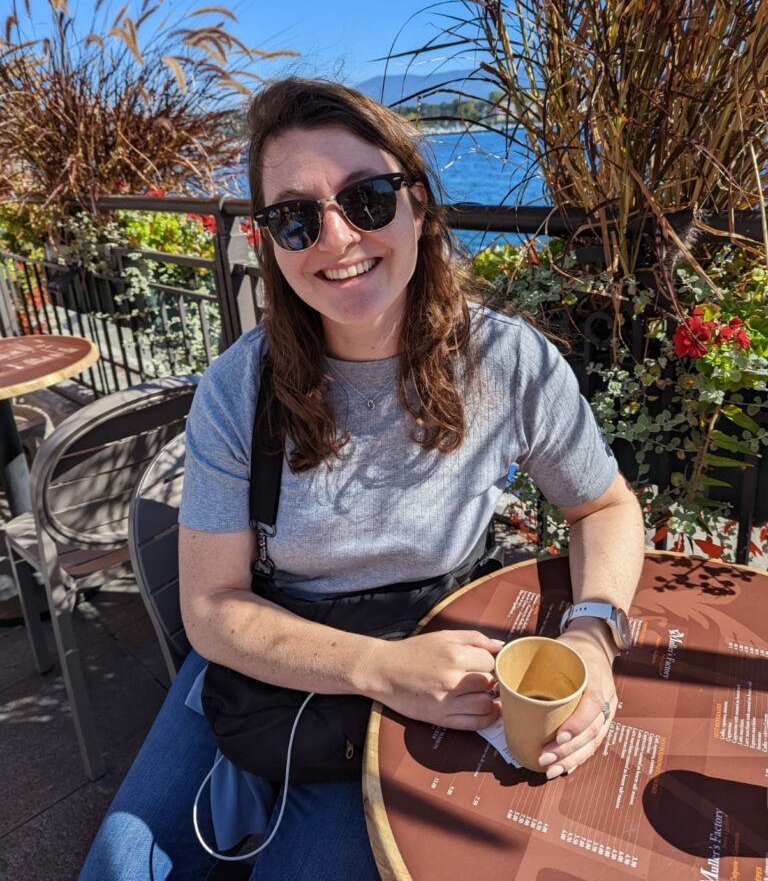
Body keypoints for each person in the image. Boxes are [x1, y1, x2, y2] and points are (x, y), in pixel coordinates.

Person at [79, 78, 645, 881]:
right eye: (296, 216)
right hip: (270, 640)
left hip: (432, 627)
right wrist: (376, 668)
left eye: (368, 197)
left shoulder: (508, 363)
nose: (336, 237)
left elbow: (603, 505)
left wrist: (593, 633)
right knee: (117, 866)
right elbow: (211, 607)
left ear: (417, 203)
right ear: (269, 241)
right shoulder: (240, 388)